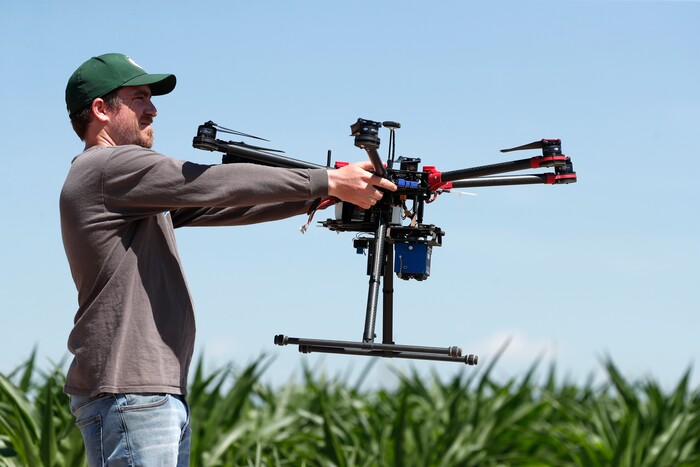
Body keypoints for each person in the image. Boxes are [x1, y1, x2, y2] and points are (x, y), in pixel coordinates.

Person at [60, 53, 396, 466]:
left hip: (144, 393)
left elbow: (221, 205)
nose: (153, 108)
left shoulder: (120, 184)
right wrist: (327, 179)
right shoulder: (107, 166)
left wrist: (323, 195)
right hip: (132, 393)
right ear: (100, 110)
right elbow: (213, 183)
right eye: (140, 98)